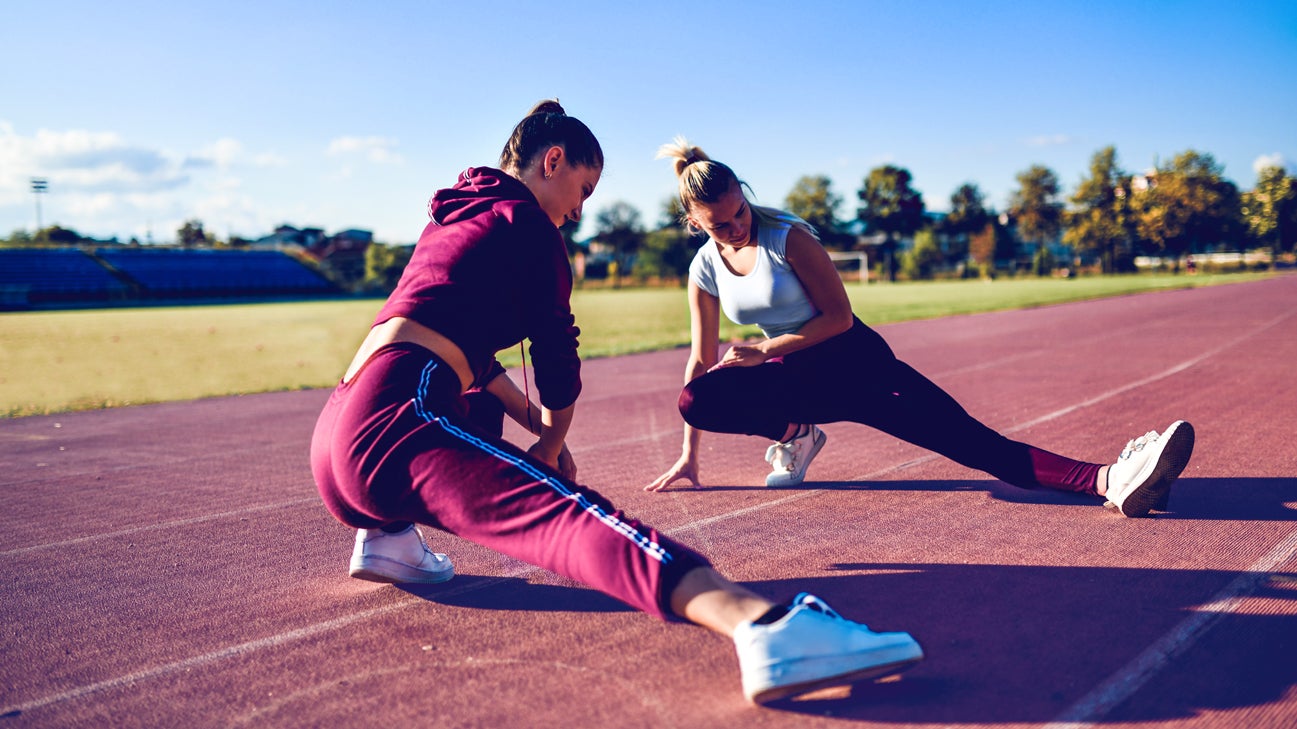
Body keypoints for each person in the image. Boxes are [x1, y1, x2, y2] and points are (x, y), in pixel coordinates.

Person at [308, 101, 924, 705]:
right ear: (553, 161)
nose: (580, 210)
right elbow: (556, 363)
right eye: (584, 188)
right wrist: (549, 447)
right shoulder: (530, 227)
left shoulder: (454, 219)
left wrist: (547, 437)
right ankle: (764, 628)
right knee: (570, 516)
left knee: (475, 412)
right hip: (397, 420)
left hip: (341, 435)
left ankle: (387, 536)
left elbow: (474, 362)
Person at [645, 137, 1195, 519]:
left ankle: (1109, 480)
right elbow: (701, 361)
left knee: (971, 442)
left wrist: (766, 350)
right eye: (721, 222)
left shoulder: (788, 237)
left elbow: (837, 319)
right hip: (792, 380)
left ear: (744, 194)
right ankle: (797, 435)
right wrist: (690, 455)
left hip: (853, 363)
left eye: (741, 210)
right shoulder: (704, 268)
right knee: (696, 397)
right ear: (694, 221)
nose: (738, 225)